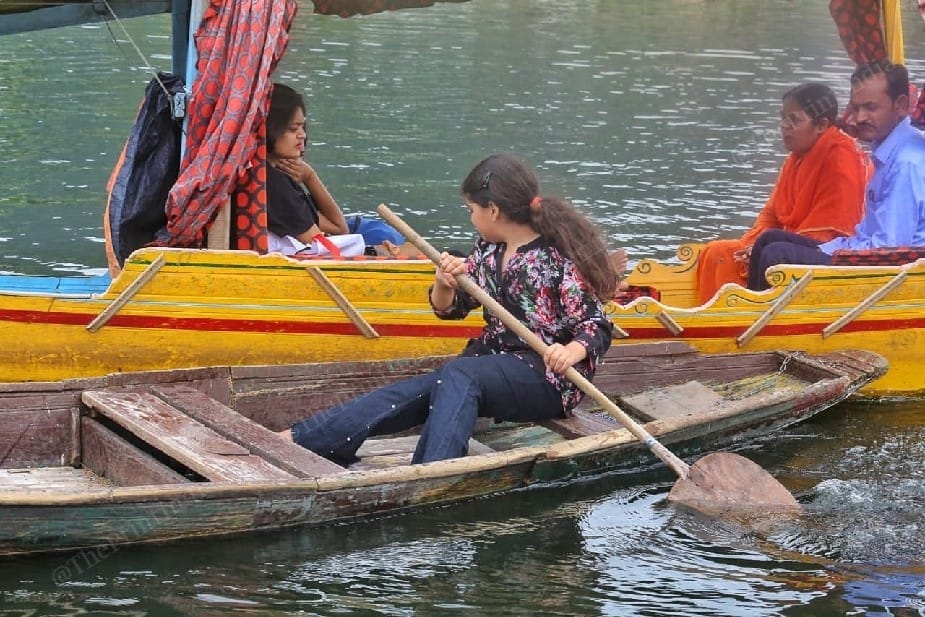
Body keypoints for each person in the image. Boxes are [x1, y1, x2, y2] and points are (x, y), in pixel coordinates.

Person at [277, 153, 618, 465]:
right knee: (421, 388)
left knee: (460, 374)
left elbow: (595, 324)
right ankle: (303, 439)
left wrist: (570, 351)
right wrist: (444, 282)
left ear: (494, 211)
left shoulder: (556, 257)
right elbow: (449, 310)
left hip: (549, 377)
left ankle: (433, 471)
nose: (472, 219)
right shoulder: (487, 251)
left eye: (472, 211)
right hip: (492, 365)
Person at [748, 61, 925, 291]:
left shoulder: (906, 163)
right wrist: (829, 249)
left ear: (900, 105)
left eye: (871, 108)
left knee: (777, 254)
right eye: (857, 107)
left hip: (887, 273)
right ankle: (752, 314)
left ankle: (764, 323)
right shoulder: (890, 148)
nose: (860, 117)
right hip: (865, 251)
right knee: (768, 240)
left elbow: (888, 250)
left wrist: (838, 253)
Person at [695, 83, 868, 303]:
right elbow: (771, 216)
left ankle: (736, 323)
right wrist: (751, 247)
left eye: (794, 120)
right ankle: (716, 323)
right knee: (717, 253)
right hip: (782, 243)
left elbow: (830, 233)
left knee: (770, 252)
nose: (784, 126)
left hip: (821, 254)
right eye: (783, 118)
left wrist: (760, 251)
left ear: (821, 125)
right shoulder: (796, 158)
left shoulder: (841, 158)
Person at [265, 83, 415, 257]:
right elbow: (328, 242)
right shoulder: (276, 185)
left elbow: (337, 229)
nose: (302, 135)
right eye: (293, 129)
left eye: (302, 127)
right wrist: (375, 252)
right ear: (270, 128)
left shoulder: (268, 176)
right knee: (400, 245)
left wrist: (310, 176)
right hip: (322, 251)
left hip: (340, 235)